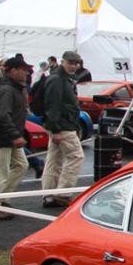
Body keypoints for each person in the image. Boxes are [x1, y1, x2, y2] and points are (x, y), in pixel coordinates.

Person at [0, 55, 32, 218]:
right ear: (13, 70)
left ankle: (2, 198)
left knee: (21, 165)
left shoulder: (14, 88)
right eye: (24, 70)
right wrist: (15, 135)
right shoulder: (5, 90)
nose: (27, 73)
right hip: (2, 136)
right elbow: (2, 115)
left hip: (9, 136)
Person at [41, 51, 85, 208]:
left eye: (76, 63)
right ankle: (63, 193)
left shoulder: (61, 78)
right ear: (63, 62)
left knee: (55, 159)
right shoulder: (58, 80)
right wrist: (56, 129)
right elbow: (53, 105)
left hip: (59, 124)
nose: (74, 66)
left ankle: (49, 194)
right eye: (70, 63)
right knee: (75, 156)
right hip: (63, 125)